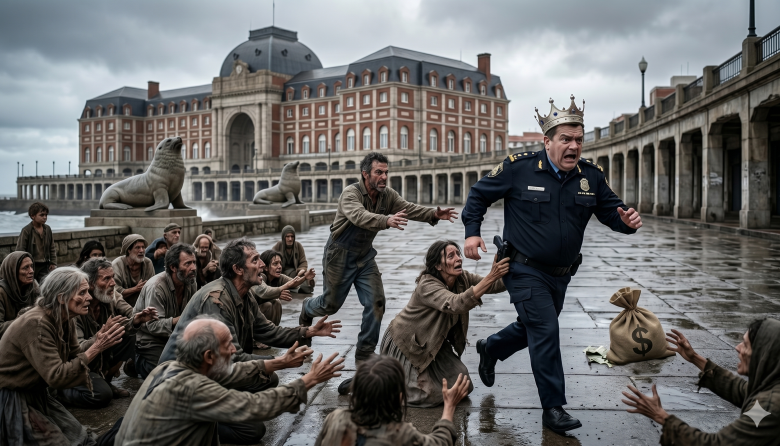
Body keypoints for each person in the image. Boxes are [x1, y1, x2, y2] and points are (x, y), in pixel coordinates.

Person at [462, 95, 642, 435]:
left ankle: (492, 347)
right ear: (548, 142)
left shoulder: (591, 177)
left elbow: (612, 213)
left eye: (579, 139)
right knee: (545, 330)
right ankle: (553, 408)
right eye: (566, 139)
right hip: (522, 268)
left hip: (561, 275)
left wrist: (627, 221)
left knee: (532, 327)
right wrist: (472, 234)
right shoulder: (519, 168)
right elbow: (478, 195)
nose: (574, 146)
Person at [298, 152, 458, 369]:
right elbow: (359, 216)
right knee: (330, 304)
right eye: (378, 172)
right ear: (365, 174)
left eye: (386, 172)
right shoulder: (350, 194)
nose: (384, 177)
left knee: (376, 303)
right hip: (339, 256)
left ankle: (364, 356)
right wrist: (386, 220)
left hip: (364, 258)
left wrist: (433, 214)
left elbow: (407, 208)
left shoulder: (387, 196)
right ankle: (308, 308)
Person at [115, 317, 346, 446]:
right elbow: (255, 406)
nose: (234, 349)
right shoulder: (192, 388)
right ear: (208, 356)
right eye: (228, 344)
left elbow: (232, 371)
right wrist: (309, 379)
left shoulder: (169, 367)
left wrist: (280, 362)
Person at [158, 238, 342, 374]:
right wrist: (280, 362)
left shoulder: (244, 294)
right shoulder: (217, 301)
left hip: (205, 371)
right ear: (238, 269)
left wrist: (308, 331)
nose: (262, 265)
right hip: (178, 378)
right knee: (263, 379)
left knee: (264, 378)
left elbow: (268, 331)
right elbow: (233, 357)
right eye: (255, 260)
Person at [0, 267, 125, 445]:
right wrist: (97, 347)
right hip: (11, 398)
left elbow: (75, 355)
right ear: (61, 297)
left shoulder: (65, 317)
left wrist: (97, 340)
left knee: (81, 438)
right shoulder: (37, 324)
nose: (89, 297)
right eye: (82, 293)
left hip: (37, 394)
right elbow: (57, 376)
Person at [377, 241, 509, 406]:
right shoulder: (427, 285)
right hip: (406, 344)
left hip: (433, 343)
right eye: (451, 256)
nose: (458, 259)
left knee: (463, 385)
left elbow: (495, 284)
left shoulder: (463, 278)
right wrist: (492, 275)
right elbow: (456, 303)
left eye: (458, 254)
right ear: (438, 265)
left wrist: (512, 267)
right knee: (428, 396)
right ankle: (377, 384)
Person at [623, 319, 780, 445]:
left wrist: (662, 417)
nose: (737, 348)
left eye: (745, 344)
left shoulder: (770, 406)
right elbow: (741, 390)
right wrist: (694, 358)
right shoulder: (771, 388)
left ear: (763, 355)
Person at [58, 258, 158, 407]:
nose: (113, 283)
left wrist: (137, 320)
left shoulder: (108, 298)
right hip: (77, 365)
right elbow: (77, 351)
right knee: (102, 395)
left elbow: (126, 312)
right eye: (106, 279)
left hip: (96, 356)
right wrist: (100, 338)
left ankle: (105, 380)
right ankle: (61, 393)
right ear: (90, 284)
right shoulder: (76, 308)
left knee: (128, 335)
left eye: (113, 278)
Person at [315, 356, 470, 446]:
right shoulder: (401, 434)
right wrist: (449, 406)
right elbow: (440, 442)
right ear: (399, 397)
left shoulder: (334, 418)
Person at [133, 243, 198, 378]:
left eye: (194, 262)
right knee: (167, 374)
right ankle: (136, 363)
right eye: (187, 264)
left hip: (175, 335)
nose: (193, 268)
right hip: (150, 339)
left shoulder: (190, 281)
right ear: (173, 267)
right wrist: (178, 320)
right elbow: (152, 326)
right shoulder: (156, 287)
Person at [251, 249, 314, 326]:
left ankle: (273, 330)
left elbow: (294, 283)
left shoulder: (278, 277)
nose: (280, 266)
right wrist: (281, 290)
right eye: (275, 264)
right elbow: (265, 292)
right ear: (266, 267)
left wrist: (305, 277)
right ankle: (261, 332)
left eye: (280, 263)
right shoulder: (260, 276)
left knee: (276, 302)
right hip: (248, 312)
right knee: (270, 304)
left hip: (259, 312)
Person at [0, 251, 40, 340]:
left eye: (31, 266)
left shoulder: (33, 287)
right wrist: (23, 320)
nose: (31, 271)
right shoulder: (1, 293)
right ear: (13, 272)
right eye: (26, 268)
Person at [16, 201, 57, 282]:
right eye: (42, 215)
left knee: (44, 285)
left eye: (46, 215)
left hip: (45, 265)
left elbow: (52, 247)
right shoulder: (26, 230)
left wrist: (53, 262)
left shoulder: (47, 229)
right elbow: (20, 250)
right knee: (31, 285)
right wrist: (23, 266)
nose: (45, 217)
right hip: (31, 265)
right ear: (32, 216)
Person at [112, 234, 155, 307]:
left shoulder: (148, 263)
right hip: (121, 307)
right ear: (129, 250)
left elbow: (152, 286)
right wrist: (135, 289)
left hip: (144, 306)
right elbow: (115, 292)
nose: (141, 251)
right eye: (137, 247)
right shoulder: (117, 264)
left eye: (143, 247)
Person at [272, 225, 315, 293]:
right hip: (282, 273)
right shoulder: (278, 246)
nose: (290, 239)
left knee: (306, 275)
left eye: (292, 236)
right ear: (283, 237)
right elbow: (271, 261)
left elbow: (303, 261)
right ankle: (298, 287)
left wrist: (301, 270)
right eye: (287, 236)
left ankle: (306, 286)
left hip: (296, 273)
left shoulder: (298, 246)